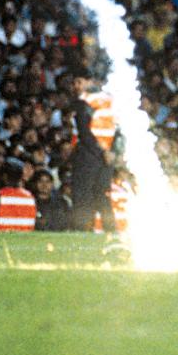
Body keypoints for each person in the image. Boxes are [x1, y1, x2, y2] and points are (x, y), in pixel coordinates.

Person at [67, 78, 117, 236]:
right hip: (104, 155)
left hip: (90, 155)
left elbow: (84, 132)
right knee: (100, 194)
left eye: (79, 82)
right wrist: (111, 151)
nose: (76, 86)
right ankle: (109, 231)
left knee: (86, 194)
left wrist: (107, 151)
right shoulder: (110, 103)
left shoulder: (84, 103)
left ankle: (84, 231)